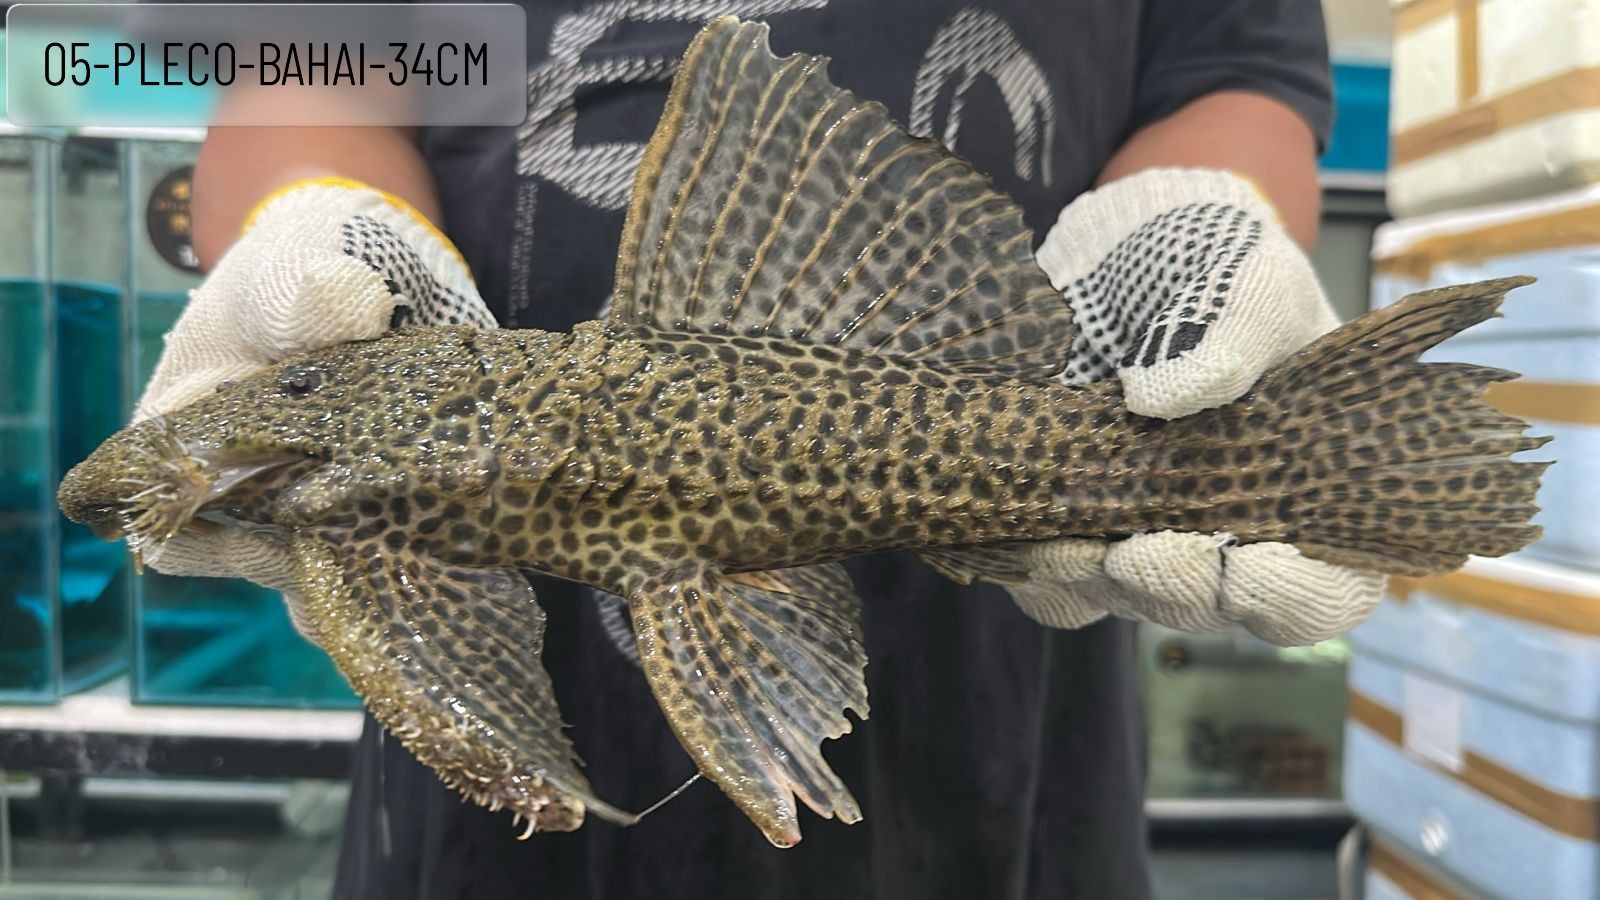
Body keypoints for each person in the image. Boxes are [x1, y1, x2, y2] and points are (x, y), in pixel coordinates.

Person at [136, 2, 1381, 897]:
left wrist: (1191, 224)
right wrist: (314, 214)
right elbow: (303, 65)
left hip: (1017, 714)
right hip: (491, 807)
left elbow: (1231, 76)